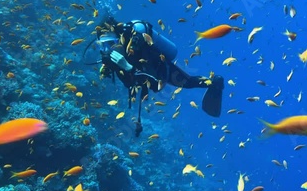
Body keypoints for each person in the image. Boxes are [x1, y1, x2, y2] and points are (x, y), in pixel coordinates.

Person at [94, 17, 224, 136]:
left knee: (188, 82)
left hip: (159, 68)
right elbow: (129, 82)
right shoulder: (119, 51)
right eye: (103, 45)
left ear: (118, 37)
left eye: (111, 44)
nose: (108, 50)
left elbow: (155, 85)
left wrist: (128, 67)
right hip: (143, 71)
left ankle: (216, 83)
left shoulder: (135, 43)